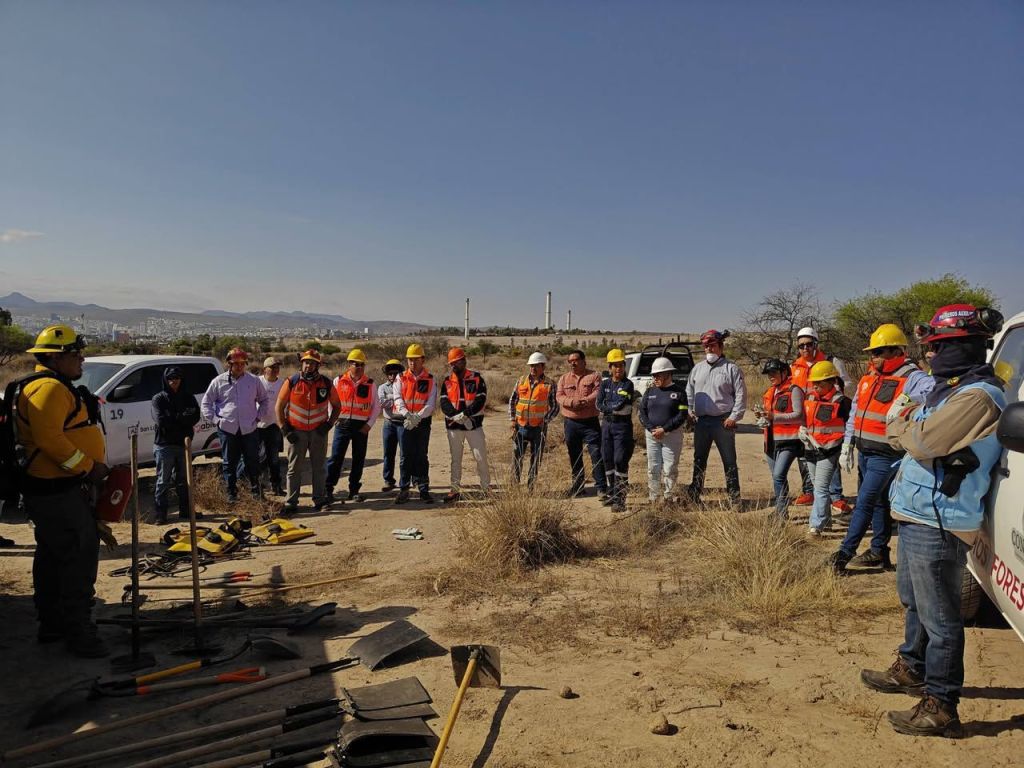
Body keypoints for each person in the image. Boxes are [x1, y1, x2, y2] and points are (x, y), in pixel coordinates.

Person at [860, 305, 1005, 737]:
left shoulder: (978, 396)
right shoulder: (949, 390)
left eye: (941, 347)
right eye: (932, 348)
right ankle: (912, 667)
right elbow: (902, 430)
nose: (933, 357)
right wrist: (906, 427)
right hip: (918, 511)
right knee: (914, 600)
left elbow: (920, 439)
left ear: (968, 346)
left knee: (941, 619)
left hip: (940, 519)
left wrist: (905, 426)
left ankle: (941, 704)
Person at [16, 325, 109, 656]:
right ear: (56, 357)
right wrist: (88, 467)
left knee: (53, 555)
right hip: (58, 491)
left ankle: (53, 624)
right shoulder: (50, 390)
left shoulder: (50, 386)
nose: (81, 359)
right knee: (78, 557)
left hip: (55, 489)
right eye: (76, 354)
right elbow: (50, 440)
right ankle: (78, 632)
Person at [831, 324, 934, 571]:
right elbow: (855, 412)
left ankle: (843, 555)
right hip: (865, 451)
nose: (872, 358)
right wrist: (848, 443)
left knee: (864, 502)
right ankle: (879, 552)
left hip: (887, 453)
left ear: (894, 351)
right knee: (879, 503)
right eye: (872, 353)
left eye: (877, 352)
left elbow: (935, 395)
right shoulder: (869, 378)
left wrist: (912, 405)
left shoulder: (912, 377)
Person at [790, 327, 850, 513]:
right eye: (801, 346)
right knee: (806, 454)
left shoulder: (830, 362)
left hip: (827, 415)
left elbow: (845, 382)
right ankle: (809, 491)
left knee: (829, 452)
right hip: (805, 415)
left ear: (816, 344)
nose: (805, 348)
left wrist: (832, 397)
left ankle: (836, 496)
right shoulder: (795, 366)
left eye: (809, 344)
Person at [200, 347, 271, 502]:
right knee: (229, 463)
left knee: (252, 461)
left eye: (242, 363)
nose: (239, 366)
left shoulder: (253, 381)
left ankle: (256, 491)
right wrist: (216, 420)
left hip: (249, 428)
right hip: (227, 430)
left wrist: (258, 417)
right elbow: (206, 403)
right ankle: (231, 493)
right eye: (235, 363)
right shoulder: (218, 382)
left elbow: (264, 400)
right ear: (229, 364)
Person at [685, 329, 746, 506]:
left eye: (712, 345)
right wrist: (690, 411)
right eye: (706, 346)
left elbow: (741, 395)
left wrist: (734, 416)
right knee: (699, 460)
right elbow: (689, 390)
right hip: (702, 422)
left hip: (723, 422)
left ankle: (734, 499)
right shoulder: (697, 369)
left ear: (720, 346)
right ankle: (694, 497)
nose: (709, 349)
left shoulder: (731, 369)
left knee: (729, 461)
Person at [276, 349, 339, 514]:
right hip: (296, 432)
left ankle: (319, 500)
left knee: (319, 468)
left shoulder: (326, 383)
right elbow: (279, 407)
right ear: (301, 363)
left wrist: (329, 424)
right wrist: (285, 429)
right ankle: (291, 503)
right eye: (305, 362)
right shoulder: (291, 381)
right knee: (294, 468)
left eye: (312, 363)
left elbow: (338, 406)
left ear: (317, 365)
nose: (308, 365)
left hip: (319, 432)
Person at [800, 361, 851, 536]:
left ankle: (816, 525)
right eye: (813, 382)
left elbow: (851, 426)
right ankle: (826, 521)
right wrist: (802, 428)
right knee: (817, 488)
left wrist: (847, 448)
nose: (815, 386)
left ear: (831, 381)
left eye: (819, 382)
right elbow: (805, 418)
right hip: (810, 449)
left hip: (829, 450)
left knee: (821, 488)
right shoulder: (810, 397)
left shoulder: (842, 402)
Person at [326, 349, 381, 504]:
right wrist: (334, 418)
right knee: (336, 458)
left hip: (361, 427)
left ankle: (354, 490)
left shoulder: (370, 384)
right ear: (349, 364)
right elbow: (332, 402)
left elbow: (376, 407)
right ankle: (328, 489)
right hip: (342, 424)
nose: (359, 367)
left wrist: (368, 425)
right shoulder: (338, 381)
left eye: (362, 365)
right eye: (355, 364)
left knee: (358, 459)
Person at [438, 348, 490, 503]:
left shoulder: (476, 378)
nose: (454, 365)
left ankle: (486, 488)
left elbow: (481, 399)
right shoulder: (447, 381)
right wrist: (456, 416)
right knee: (456, 459)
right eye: (452, 363)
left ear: (464, 361)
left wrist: (466, 414)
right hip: (454, 427)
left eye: (457, 362)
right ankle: (454, 489)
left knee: (480, 457)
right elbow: (444, 402)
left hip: (473, 426)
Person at [151, 366, 201, 524]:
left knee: (183, 480)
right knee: (163, 481)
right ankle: (161, 514)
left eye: (177, 378)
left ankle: (185, 511)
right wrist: (182, 417)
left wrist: (175, 417)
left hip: (183, 444)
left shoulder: (188, 397)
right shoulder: (159, 398)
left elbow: (195, 416)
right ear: (166, 380)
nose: (174, 381)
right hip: (164, 445)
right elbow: (162, 421)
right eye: (170, 378)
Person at [556, 350, 607, 498]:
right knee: (575, 455)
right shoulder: (564, 379)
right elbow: (559, 396)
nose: (573, 363)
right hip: (571, 423)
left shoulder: (594, 376)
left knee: (596, 453)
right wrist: (572, 402)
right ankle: (578, 487)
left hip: (590, 423)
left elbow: (598, 392)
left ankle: (601, 487)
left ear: (584, 361)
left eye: (576, 360)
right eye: (570, 361)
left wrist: (584, 401)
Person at [637, 356, 688, 503]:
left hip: (672, 436)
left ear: (668, 374)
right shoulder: (649, 392)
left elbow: (682, 415)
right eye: (653, 375)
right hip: (652, 435)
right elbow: (642, 412)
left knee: (670, 468)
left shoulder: (679, 392)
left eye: (658, 375)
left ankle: (668, 497)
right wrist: (652, 429)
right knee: (653, 467)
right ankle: (654, 497)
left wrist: (665, 429)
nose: (655, 378)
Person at [759, 358, 804, 520]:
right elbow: (769, 417)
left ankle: (781, 512)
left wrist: (774, 417)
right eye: (768, 373)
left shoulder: (794, 390)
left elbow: (799, 415)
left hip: (789, 441)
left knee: (778, 476)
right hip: (770, 441)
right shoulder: (770, 392)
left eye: (774, 372)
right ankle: (782, 511)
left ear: (784, 373)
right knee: (778, 478)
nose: (771, 376)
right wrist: (763, 419)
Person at [508, 352, 559, 489]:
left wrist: (546, 420)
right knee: (517, 457)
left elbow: (555, 406)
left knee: (536, 458)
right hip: (520, 426)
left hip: (539, 428)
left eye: (536, 366)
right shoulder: (521, 380)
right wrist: (512, 420)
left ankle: (531, 486)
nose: (533, 369)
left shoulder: (550, 384)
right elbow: (513, 400)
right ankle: (514, 486)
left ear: (543, 367)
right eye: (531, 366)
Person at [393, 343, 437, 504]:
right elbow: (397, 398)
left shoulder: (430, 379)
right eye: (410, 360)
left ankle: (423, 489)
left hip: (422, 422)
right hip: (405, 422)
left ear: (423, 360)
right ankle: (404, 489)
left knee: (421, 455)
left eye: (415, 359)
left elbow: (430, 403)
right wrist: (407, 415)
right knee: (405, 456)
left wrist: (417, 417)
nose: (412, 362)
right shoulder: (401, 377)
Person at [597, 349, 635, 512]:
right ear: (610, 367)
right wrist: (608, 408)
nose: (618, 369)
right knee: (608, 460)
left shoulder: (628, 384)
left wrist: (608, 407)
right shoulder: (604, 384)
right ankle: (612, 493)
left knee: (620, 460)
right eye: (615, 366)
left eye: (621, 365)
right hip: (606, 426)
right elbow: (598, 404)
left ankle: (621, 497)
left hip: (622, 427)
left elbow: (620, 404)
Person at [256, 357, 285, 495]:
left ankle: (276, 486)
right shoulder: (257, 382)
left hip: (274, 425)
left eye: (277, 367)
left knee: (274, 459)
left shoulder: (282, 384)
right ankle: (260, 487)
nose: (275, 370)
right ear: (264, 369)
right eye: (272, 367)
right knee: (259, 459)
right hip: (258, 426)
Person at [378, 359, 406, 492]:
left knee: (404, 454)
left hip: (403, 423)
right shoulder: (382, 388)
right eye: (390, 373)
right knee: (388, 453)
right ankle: (388, 480)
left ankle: (404, 481)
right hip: (389, 424)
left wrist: (393, 400)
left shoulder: (405, 386)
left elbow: (406, 403)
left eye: (395, 373)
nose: (392, 376)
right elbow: (382, 403)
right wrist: (397, 400)